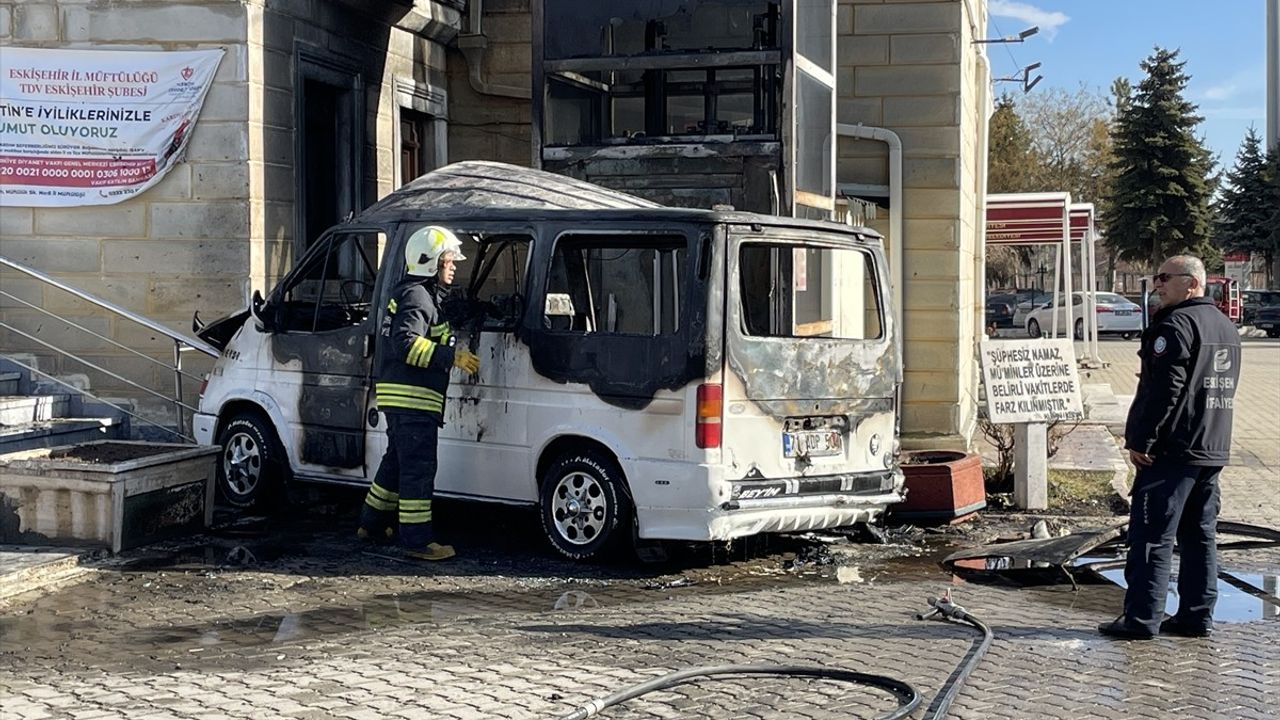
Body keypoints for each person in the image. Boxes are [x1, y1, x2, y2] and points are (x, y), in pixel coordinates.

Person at [1098, 255, 1241, 640]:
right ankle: (1196, 616)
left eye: (1164, 278)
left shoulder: (1176, 325)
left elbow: (1166, 391)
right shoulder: (1224, 326)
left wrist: (1143, 439)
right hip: (1210, 447)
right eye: (1156, 277)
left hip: (1172, 451)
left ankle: (1141, 618)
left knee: (1151, 536)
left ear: (1191, 284)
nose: (1156, 284)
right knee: (1199, 535)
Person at [356, 226, 481, 561]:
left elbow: (428, 331)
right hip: (413, 401)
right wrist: (449, 357)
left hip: (403, 400)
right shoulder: (418, 297)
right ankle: (416, 541)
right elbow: (405, 342)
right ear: (430, 263)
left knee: (396, 463)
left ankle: (371, 522)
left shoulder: (416, 294)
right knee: (418, 469)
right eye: (448, 260)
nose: (453, 266)